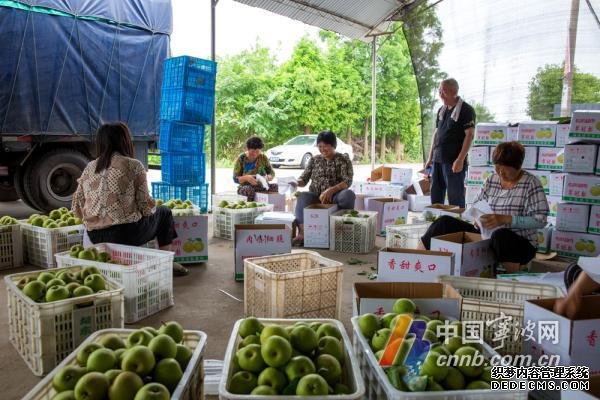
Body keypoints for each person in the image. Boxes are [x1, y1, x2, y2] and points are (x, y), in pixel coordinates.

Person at [71, 122, 189, 276]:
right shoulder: (133, 165)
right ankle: (167, 264)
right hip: (126, 235)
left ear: (100, 143)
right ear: (125, 141)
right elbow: (145, 207)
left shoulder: (90, 167)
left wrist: (94, 221)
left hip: (94, 236)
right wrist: (151, 206)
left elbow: (76, 204)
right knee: (164, 212)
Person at [420, 141, 549, 273]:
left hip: (518, 243)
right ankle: (416, 261)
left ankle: (513, 276)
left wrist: (506, 219)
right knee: (444, 222)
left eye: (505, 170)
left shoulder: (531, 183)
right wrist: (477, 219)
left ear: (518, 166)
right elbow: (475, 205)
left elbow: (540, 220)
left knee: (500, 236)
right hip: (486, 236)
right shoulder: (491, 180)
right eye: (497, 168)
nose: (501, 173)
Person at [291, 130, 355, 246]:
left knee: (348, 195)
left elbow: (347, 181)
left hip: (335, 197)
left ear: (333, 145)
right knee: (303, 196)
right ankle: (302, 233)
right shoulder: (314, 160)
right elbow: (304, 180)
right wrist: (294, 182)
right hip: (316, 196)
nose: (322, 149)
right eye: (320, 146)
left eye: (326, 146)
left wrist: (331, 190)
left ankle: (344, 230)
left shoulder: (343, 159)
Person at [425, 78, 476, 208]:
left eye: (443, 91)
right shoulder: (441, 110)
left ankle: (457, 225)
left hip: (453, 162)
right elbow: (436, 134)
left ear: (454, 92)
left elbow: (469, 135)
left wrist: (460, 159)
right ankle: (437, 223)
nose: (440, 94)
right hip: (437, 160)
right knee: (436, 195)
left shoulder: (466, 110)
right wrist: (430, 158)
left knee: (455, 197)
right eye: (440, 90)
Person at [233, 136, 278, 201]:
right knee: (248, 190)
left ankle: (272, 209)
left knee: (278, 187)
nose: (255, 154)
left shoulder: (263, 157)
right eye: (252, 151)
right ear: (247, 149)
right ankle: (251, 209)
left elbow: (271, 172)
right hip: (246, 187)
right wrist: (246, 178)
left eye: (257, 151)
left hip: (262, 186)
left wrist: (269, 176)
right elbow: (235, 179)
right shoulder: (241, 158)